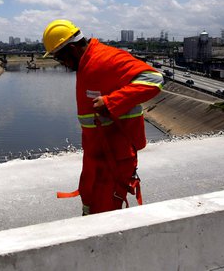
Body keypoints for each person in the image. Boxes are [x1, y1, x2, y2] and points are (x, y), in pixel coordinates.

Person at [42, 19, 163, 215]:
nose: (61, 64)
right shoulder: (85, 63)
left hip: (114, 156)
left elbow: (154, 79)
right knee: (89, 203)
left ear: (72, 49)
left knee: (105, 213)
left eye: (59, 58)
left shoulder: (106, 58)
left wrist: (112, 102)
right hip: (95, 154)